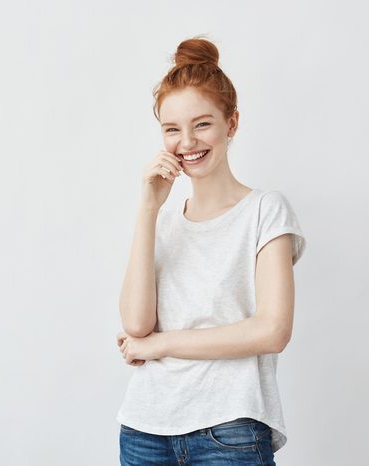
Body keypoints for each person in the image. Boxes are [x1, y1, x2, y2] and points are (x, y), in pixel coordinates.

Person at [115, 35, 306, 465]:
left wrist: (160, 346)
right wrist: (148, 209)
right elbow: (136, 323)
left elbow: (272, 331)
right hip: (146, 430)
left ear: (231, 123)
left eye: (202, 124)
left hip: (230, 431)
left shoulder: (264, 210)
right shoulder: (162, 218)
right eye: (171, 129)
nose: (187, 142)